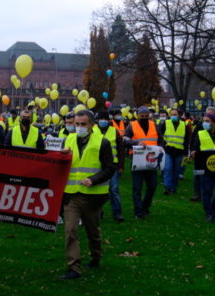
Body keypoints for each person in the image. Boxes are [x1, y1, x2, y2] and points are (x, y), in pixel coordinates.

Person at [59, 110, 115, 280]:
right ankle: (74, 267)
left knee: (92, 231)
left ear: (91, 125)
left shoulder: (102, 143)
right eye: (77, 124)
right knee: (70, 230)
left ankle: (96, 256)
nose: (79, 127)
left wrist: (93, 179)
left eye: (83, 124)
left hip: (93, 197)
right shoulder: (67, 140)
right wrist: (61, 157)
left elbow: (109, 169)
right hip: (71, 195)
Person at [124, 106, 162, 219]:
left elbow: (161, 139)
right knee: (137, 188)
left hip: (151, 160)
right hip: (137, 160)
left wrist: (161, 148)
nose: (144, 117)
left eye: (146, 116)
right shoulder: (132, 125)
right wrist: (135, 142)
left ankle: (145, 207)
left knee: (152, 186)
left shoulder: (154, 125)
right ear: (138, 115)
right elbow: (125, 140)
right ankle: (138, 212)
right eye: (142, 116)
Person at [95, 111, 125, 222]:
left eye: (105, 119)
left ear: (109, 120)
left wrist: (121, 166)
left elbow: (121, 149)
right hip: (97, 165)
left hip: (113, 165)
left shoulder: (114, 131)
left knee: (114, 189)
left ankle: (117, 213)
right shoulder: (93, 131)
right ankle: (98, 212)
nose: (103, 121)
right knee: (98, 190)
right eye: (101, 119)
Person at [159, 108, 189, 195]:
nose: (173, 116)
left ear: (179, 115)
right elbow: (160, 134)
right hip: (168, 150)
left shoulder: (184, 125)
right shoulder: (165, 123)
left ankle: (173, 188)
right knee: (168, 169)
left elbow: (186, 140)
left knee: (176, 171)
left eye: (175, 114)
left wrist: (186, 153)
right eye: (172, 114)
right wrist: (162, 145)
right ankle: (167, 187)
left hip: (179, 151)